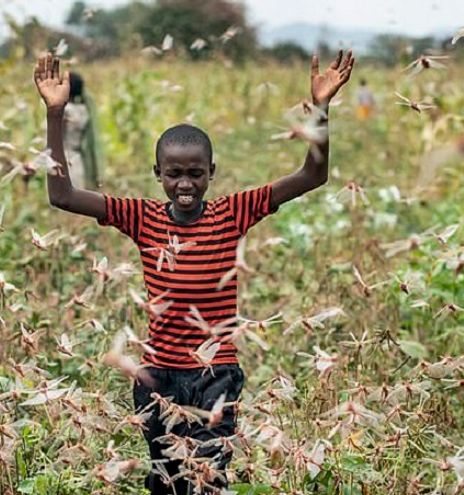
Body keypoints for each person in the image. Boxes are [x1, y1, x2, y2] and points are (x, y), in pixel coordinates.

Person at [33, 50, 354, 494]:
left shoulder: (234, 212)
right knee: (167, 481)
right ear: (158, 175)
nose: (185, 184)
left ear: (212, 173)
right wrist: (55, 114)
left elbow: (312, 175)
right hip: (158, 377)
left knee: (206, 479)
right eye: (175, 174)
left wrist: (321, 108)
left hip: (215, 375)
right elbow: (62, 195)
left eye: (196, 174)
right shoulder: (141, 217)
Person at [63, 72, 102, 189]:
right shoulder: (83, 110)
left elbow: (56, 139)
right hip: (77, 160)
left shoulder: (65, 112)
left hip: (63, 159)